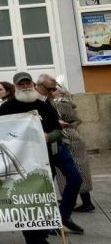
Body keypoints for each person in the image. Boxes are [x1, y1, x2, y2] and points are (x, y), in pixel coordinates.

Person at [0, 72, 82, 241]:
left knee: (42, 202)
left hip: (43, 164)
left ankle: (43, 233)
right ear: (15, 87)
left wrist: (48, 137)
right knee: (27, 206)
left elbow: (58, 131)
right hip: (20, 167)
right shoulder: (6, 108)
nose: (25, 86)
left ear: (33, 84)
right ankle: (36, 238)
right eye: (21, 84)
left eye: (28, 83)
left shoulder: (43, 107)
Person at [51, 82, 95, 212]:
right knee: (75, 170)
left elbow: (69, 121)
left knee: (75, 170)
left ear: (61, 92)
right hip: (71, 137)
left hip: (69, 138)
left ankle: (86, 203)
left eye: (54, 89)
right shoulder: (64, 102)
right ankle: (72, 200)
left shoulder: (60, 103)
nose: (51, 91)